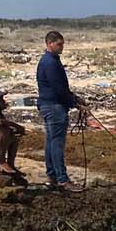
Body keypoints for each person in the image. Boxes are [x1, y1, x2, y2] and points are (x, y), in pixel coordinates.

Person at [36, 30, 86, 193]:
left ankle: (53, 176)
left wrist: (74, 99)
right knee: (56, 144)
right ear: (49, 44)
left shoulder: (48, 60)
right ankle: (62, 179)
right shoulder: (50, 62)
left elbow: (60, 88)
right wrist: (73, 102)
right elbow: (58, 88)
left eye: (62, 44)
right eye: (59, 44)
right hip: (54, 106)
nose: (61, 47)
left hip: (48, 105)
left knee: (51, 142)